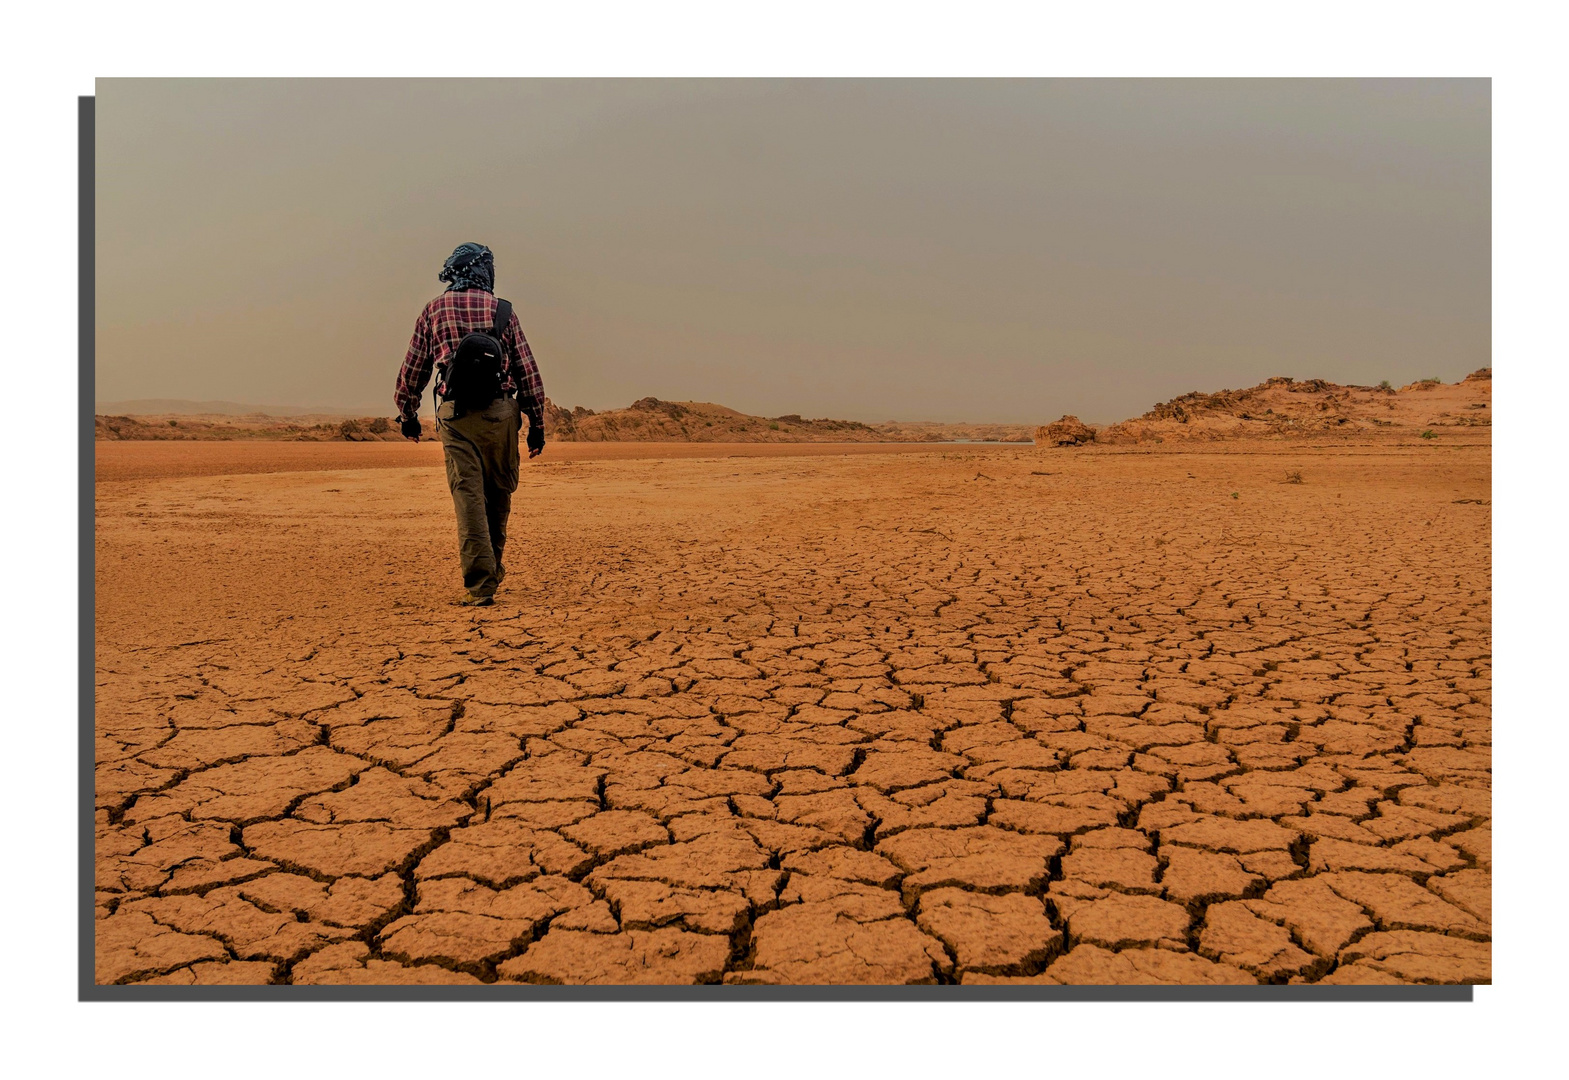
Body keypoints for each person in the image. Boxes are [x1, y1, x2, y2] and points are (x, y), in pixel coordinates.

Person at [394, 243, 545, 606]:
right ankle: (491, 568)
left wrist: (408, 414)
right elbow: (527, 369)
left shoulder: (434, 309)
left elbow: (414, 368)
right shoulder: (502, 310)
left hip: (456, 417)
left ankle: (481, 586)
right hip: (501, 415)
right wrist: (537, 422)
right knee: (498, 494)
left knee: (468, 497)